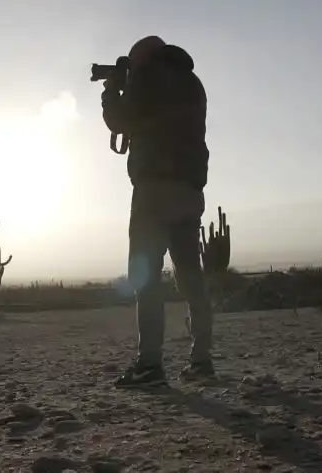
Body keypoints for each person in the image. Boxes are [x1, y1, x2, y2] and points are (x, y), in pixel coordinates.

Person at [101, 35, 214, 387]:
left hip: (154, 191)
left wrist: (111, 93)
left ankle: (149, 365)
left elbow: (122, 121)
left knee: (146, 279)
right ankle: (202, 361)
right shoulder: (192, 83)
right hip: (189, 190)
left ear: (145, 56)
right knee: (191, 278)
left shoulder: (149, 77)